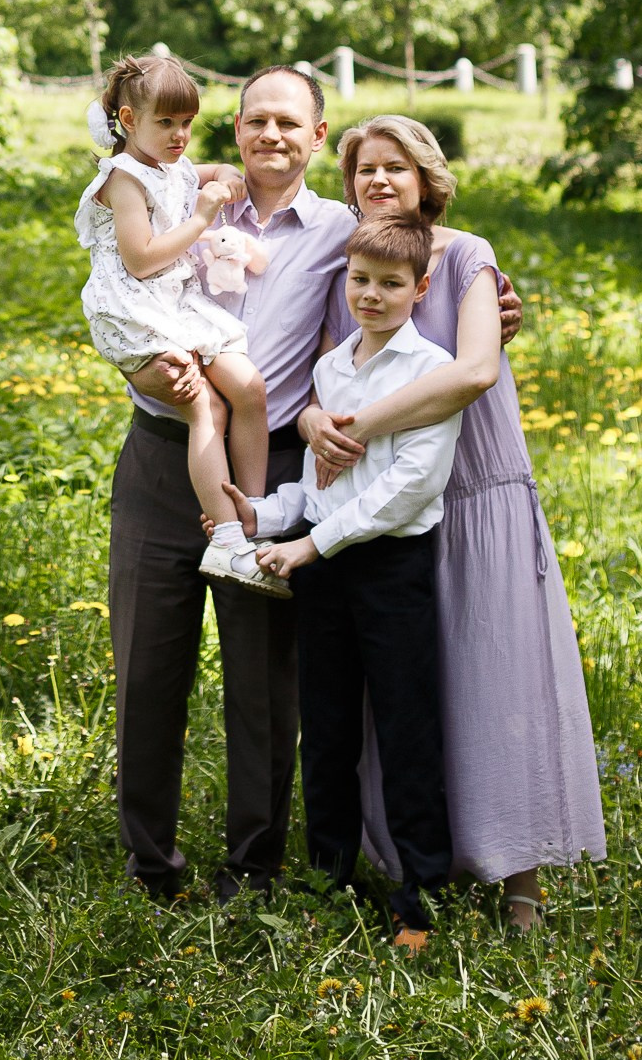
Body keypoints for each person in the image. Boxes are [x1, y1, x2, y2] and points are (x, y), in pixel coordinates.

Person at [296, 114, 605, 932]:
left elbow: (473, 370)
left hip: (477, 492)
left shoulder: (466, 255)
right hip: (382, 510)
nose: (378, 180)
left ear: (427, 179)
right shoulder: (351, 266)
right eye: (364, 168)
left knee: (497, 673)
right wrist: (316, 424)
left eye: (395, 167)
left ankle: (522, 881)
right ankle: (414, 858)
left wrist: (361, 426)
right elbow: (323, 378)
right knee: (405, 695)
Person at [105, 62, 356, 903]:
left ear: (317, 135)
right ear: (236, 130)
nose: (270, 135)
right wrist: (142, 371)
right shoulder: (183, 194)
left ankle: (253, 866)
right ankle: (151, 866)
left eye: (288, 122)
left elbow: (412, 274)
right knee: (147, 671)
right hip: (160, 458)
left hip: (269, 472)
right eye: (255, 120)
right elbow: (118, 280)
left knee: (262, 681)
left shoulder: (340, 231)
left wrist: (490, 295)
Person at [249, 212, 460, 956]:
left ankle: (421, 899)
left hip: (392, 569)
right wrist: (262, 514)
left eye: (390, 284)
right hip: (324, 568)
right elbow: (321, 484)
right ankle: (327, 883)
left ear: (419, 288)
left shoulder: (433, 370)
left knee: (407, 730)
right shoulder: (332, 369)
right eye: (360, 280)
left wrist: (311, 545)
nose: (371, 295)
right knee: (327, 729)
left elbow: (410, 487)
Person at [76, 54, 275, 590]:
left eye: (187, 122)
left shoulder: (172, 163)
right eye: (165, 122)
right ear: (128, 119)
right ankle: (227, 539)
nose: (180, 135)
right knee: (206, 405)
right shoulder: (123, 179)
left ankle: (254, 517)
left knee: (249, 388)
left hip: (176, 303)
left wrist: (226, 174)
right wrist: (203, 216)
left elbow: (207, 173)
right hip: (135, 307)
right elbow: (141, 259)